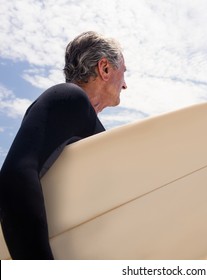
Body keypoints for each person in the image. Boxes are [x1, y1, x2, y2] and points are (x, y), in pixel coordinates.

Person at [0, 31, 127, 259]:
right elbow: (15, 177)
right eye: (123, 73)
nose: (125, 84)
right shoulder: (68, 98)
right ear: (105, 68)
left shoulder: (75, 113)